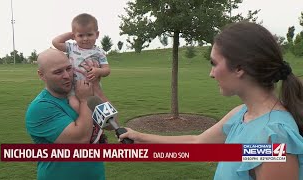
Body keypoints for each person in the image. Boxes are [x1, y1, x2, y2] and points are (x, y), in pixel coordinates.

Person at [119, 22, 303, 180]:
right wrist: (140, 136)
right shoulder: (242, 114)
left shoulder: (273, 136)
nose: (211, 73)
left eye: (214, 63)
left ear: (239, 68)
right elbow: (197, 142)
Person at [25, 48, 107, 180]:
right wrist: (85, 100)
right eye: (58, 72)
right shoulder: (41, 107)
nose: (67, 75)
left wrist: (96, 86)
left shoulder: (81, 92)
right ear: (41, 75)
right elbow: (80, 140)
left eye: (69, 68)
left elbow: (111, 122)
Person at [52, 13, 111, 144]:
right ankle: (88, 127)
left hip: (93, 87)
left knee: (103, 108)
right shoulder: (72, 47)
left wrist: (98, 71)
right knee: (74, 104)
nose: (85, 39)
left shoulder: (99, 52)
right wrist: (72, 33)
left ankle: (98, 128)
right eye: (80, 35)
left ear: (97, 34)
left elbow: (107, 70)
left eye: (89, 34)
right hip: (74, 86)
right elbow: (55, 42)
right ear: (74, 36)